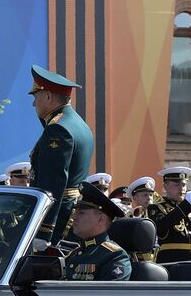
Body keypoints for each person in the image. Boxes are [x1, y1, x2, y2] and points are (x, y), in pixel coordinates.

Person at [27, 65, 93, 251]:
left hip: (58, 221)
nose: (33, 104)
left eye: (36, 96)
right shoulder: (79, 124)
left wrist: (44, 231)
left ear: (48, 96)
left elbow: (53, 183)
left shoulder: (58, 129)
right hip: (71, 215)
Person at [64, 182, 131, 281]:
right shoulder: (75, 254)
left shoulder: (114, 256)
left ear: (101, 219)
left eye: (81, 212)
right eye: (75, 212)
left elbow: (110, 295)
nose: (74, 217)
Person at [149, 165, 191, 262]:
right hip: (173, 261)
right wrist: (186, 204)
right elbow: (161, 230)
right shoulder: (156, 208)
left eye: (183, 185)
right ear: (165, 186)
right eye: (176, 185)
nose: (181, 188)